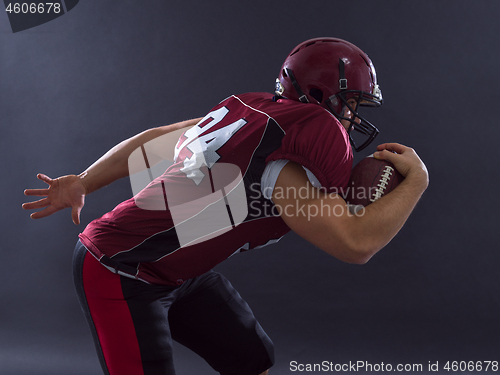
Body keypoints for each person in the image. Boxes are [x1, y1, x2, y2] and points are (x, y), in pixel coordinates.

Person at [22, 37, 428, 375]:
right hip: (119, 268)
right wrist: (418, 182)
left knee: (253, 361)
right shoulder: (283, 167)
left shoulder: (252, 113)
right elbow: (355, 244)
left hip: (174, 269)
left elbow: (155, 138)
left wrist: (84, 180)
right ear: (323, 95)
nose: (355, 116)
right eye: (351, 103)